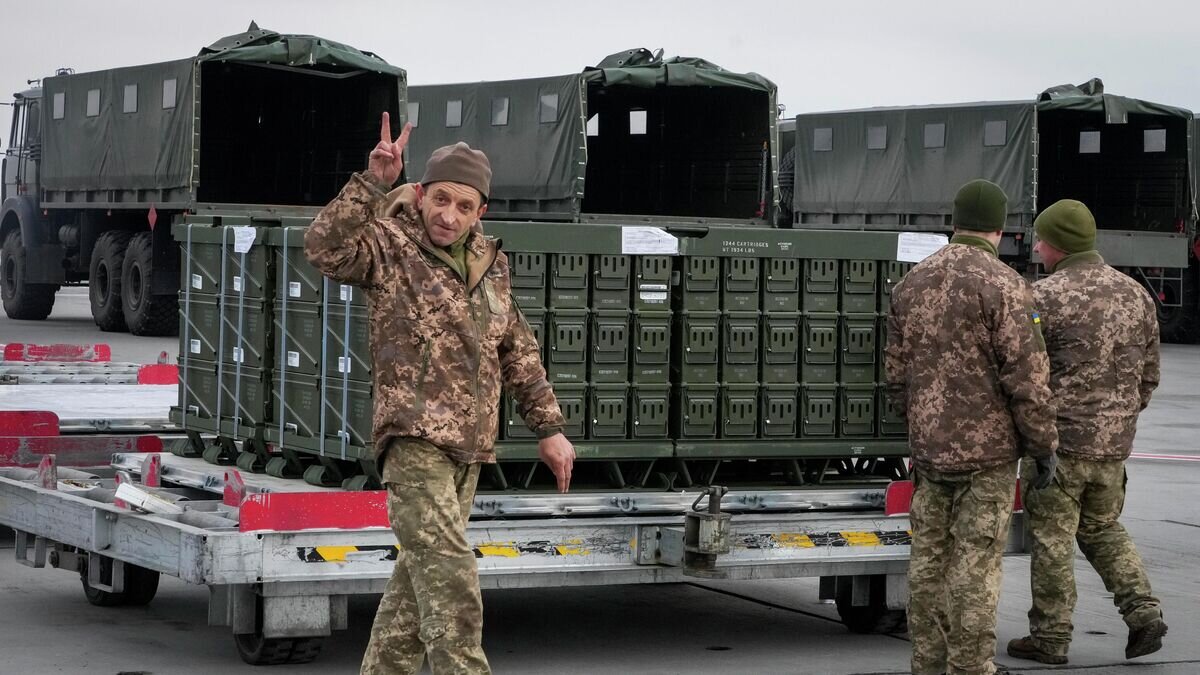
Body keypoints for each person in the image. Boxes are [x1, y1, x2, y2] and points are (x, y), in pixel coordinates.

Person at [305, 112, 576, 675]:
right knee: (451, 581)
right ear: (422, 195)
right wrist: (371, 182)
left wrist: (548, 428)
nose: (448, 216)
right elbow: (324, 250)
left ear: (482, 212)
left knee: (411, 597)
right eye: (441, 200)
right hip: (413, 443)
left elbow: (516, 347)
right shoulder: (388, 247)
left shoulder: (491, 265)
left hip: (469, 451)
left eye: (464, 206)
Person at [885, 178, 1058, 675]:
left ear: (953, 222)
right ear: (1000, 229)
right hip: (989, 459)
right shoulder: (1006, 286)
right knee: (976, 567)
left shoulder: (912, 282)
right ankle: (971, 667)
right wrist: (1042, 445)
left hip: (930, 452)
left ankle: (928, 663)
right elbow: (1027, 378)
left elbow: (896, 375)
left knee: (928, 564)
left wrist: (921, 428)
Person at [1007, 199, 1167, 665]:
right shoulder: (1135, 293)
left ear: (1057, 244)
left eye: (1040, 237)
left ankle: (1050, 638)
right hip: (1112, 447)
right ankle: (1142, 611)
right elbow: (1149, 375)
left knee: (1053, 540)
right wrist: (1118, 420)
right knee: (1103, 529)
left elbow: (1027, 375)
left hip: (1059, 445)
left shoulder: (1044, 297)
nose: (1035, 245)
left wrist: (1034, 434)